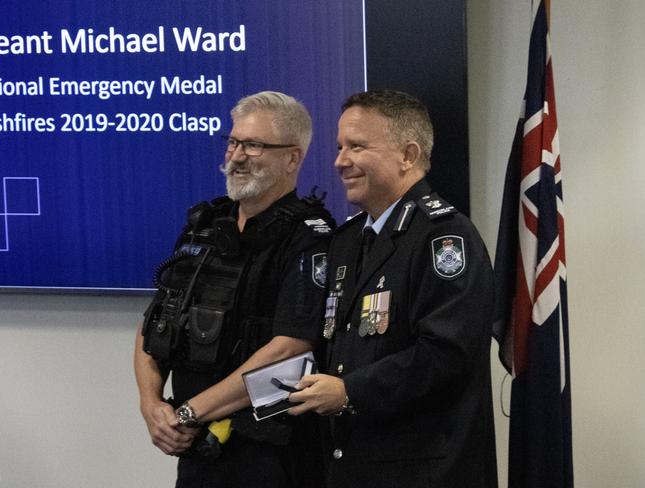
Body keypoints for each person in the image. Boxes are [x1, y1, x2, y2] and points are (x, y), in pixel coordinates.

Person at [288, 90, 498, 488]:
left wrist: (349, 391)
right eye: (339, 147)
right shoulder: (348, 240)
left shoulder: (446, 238)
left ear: (408, 154)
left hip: (424, 472)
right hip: (354, 466)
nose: (340, 161)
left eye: (357, 146)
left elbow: (446, 355)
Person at [134, 91, 334, 488]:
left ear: (293, 158)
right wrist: (152, 406)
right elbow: (152, 324)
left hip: (268, 452)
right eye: (234, 142)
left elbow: (290, 348)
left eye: (255, 145)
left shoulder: (309, 238)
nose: (238, 156)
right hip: (197, 446)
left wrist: (189, 412)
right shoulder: (205, 226)